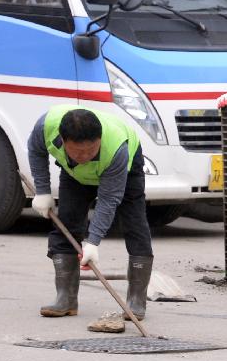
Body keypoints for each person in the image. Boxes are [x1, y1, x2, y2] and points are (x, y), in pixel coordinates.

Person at [28, 105, 152, 320]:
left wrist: (93, 241)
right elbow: (36, 151)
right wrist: (42, 191)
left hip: (124, 172)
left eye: (91, 150)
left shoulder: (116, 148)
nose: (84, 156)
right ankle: (65, 299)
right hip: (74, 174)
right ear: (63, 141)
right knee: (66, 225)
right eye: (78, 151)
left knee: (135, 225)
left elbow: (108, 199)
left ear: (100, 139)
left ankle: (136, 301)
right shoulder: (45, 127)